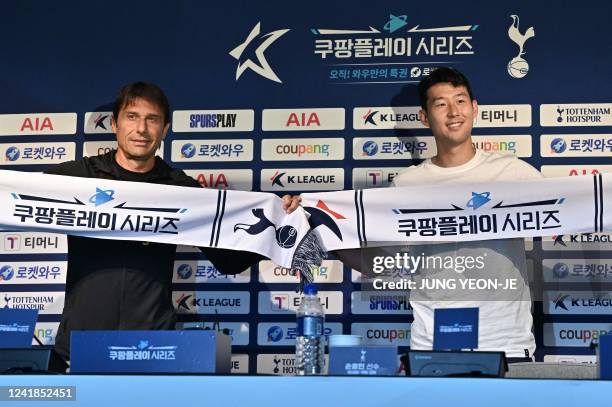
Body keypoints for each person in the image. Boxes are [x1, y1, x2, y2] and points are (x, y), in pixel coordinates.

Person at [46, 82, 271, 360]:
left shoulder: (181, 190)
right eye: (132, 117)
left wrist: (277, 223)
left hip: (152, 350)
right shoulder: (76, 178)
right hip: (77, 349)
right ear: (114, 124)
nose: (141, 129)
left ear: (164, 130)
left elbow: (228, 260)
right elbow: (14, 200)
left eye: (152, 119)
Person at [336, 67, 541, 361]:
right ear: (424, 116)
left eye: (460, 101)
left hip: (506, 340)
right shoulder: (406, 184)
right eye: (441, 104)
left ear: (474, 108)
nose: (453, 112)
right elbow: (385, 264)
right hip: (434, 342)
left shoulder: (513, 172)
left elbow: (570, 212)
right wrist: (324, 230)